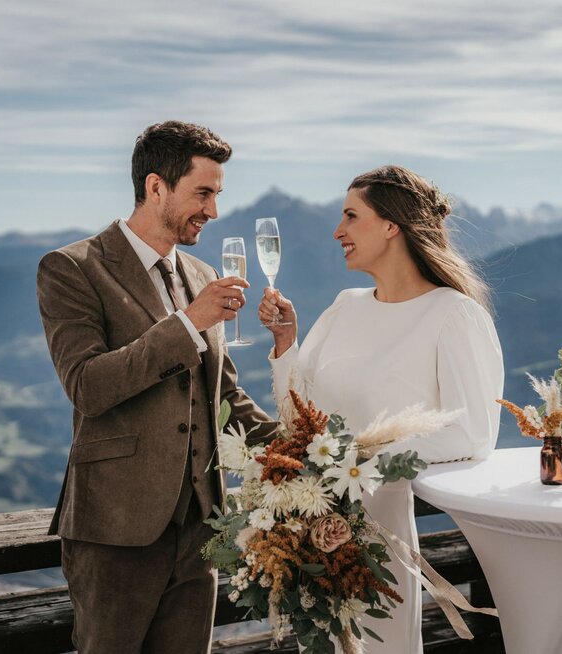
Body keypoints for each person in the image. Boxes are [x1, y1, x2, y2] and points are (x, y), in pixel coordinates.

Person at [36, 120, 278, 654]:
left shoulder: (200, 271)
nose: (213, 210)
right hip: (115, 531)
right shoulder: (72, 268)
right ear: (155, 187)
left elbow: (224, 399)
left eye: (217, 194)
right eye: (203, 193)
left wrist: (308, 447)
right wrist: (188, 324)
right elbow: (87, 386)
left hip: (199, 530)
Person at [258, 165, 504, 653]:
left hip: (379, 544)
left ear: (392, 226)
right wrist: (286, 344)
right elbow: (297, 420)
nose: (338, 230)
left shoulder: (454, 315)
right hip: (309, 537)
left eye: (351, 216)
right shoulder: (343, 307)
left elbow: (473, 434)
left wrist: (357, 458)